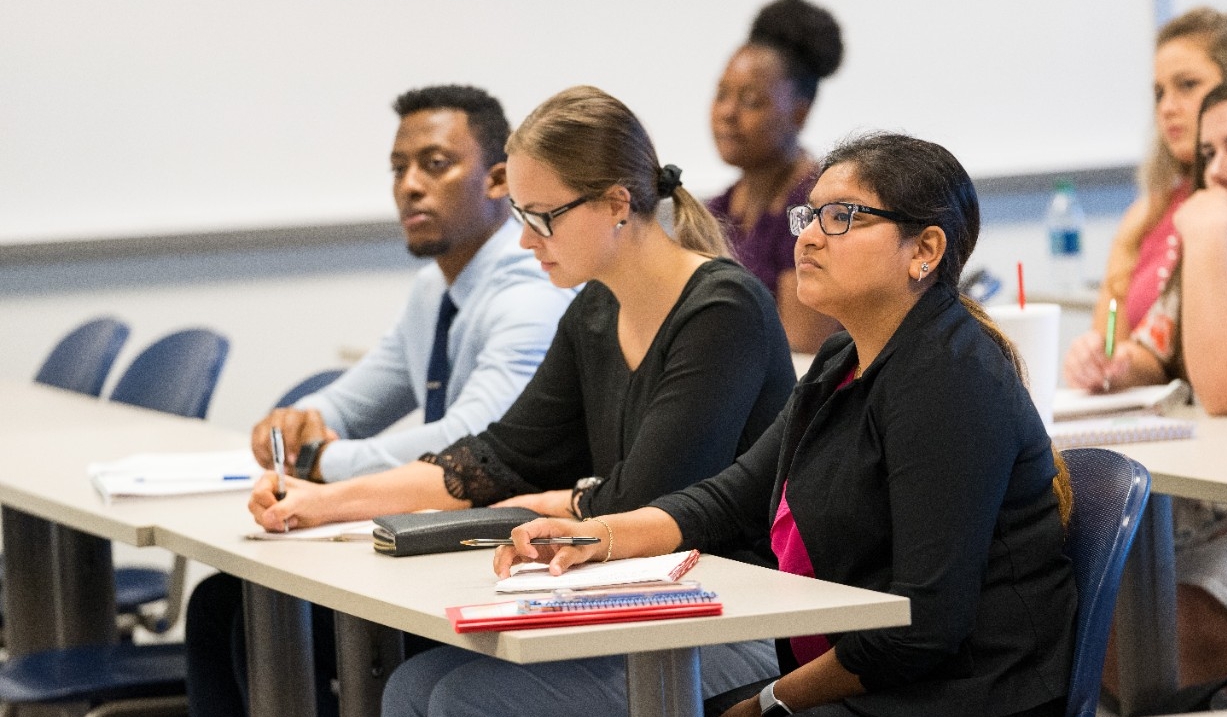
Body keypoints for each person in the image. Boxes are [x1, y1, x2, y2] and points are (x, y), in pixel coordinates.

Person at [386, 133, 1079, 717]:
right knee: (418, 685)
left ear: (924, 249)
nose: (808, 237)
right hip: (862, 675)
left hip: (955, 697)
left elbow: (924, 628)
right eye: (810, 215)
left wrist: (768, 701)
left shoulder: (950, 379)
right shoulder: (846, 356)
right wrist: (593, 537)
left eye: (842, 217)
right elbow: (731, 497)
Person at [250, 84, 796, 541]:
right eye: (520, 215)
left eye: (542, 217)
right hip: (628, 591)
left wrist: (558, 501)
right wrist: (323, 502)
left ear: (616, 204)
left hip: (726, 608)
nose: (524, 241)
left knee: (440, 676)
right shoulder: (595, 308)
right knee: (430, 674)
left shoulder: (723, 310)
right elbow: (499, 456)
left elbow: (645, 501)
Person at [186, 84, 573, 717]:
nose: (410, 186)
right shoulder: (435, 288)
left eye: (435, 163)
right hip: (429, 531)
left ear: (499, 178)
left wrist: (323, 466)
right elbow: (359, 396)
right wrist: (305, 421)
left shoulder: (530, 288)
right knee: (222, 604)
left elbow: (474, 434)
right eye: (399, 169)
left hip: (497, 544)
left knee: (246, 614)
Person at [1067, 64, 1227, 693]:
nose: (1217, 172)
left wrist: (1206, 232)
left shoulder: (1211, 240)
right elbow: (1152, 351)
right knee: (1060, 604)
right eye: (1211, 153)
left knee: (1115, 638)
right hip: (1216, 523)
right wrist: (1110, 365)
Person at [1066, 8, 1227, 365]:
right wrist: (1102, 362)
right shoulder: (1151, 212)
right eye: (1159, 93)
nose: (1167, 107)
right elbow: (1120, 347)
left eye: (1187, 85)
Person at [706, 0, 844, 354]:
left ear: (799, 113)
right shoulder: (716, 209)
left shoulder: (816, 211)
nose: (727, 113)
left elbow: (803, 349)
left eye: (751, 101)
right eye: (722, 94)